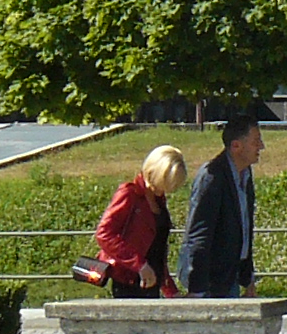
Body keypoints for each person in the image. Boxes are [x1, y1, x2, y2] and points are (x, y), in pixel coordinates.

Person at [179, 111, 264, 299]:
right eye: (256, 141)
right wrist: (197, 290)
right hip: (210, 282)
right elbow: (199, 234)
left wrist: (248, 279)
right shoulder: (212, 177)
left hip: (230, 277)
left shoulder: (245, 175)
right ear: (236, 146)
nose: (261, 146)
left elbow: (244, 228)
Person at [93, 144, 186, 298]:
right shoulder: (129, 193)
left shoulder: (158, 199)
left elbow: (158, 248)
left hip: (152, 279)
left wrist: (170, 288)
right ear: (153, 173)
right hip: (129, 280)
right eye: (165, 183)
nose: (166, 190)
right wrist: (139, 264)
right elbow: (104, 234)